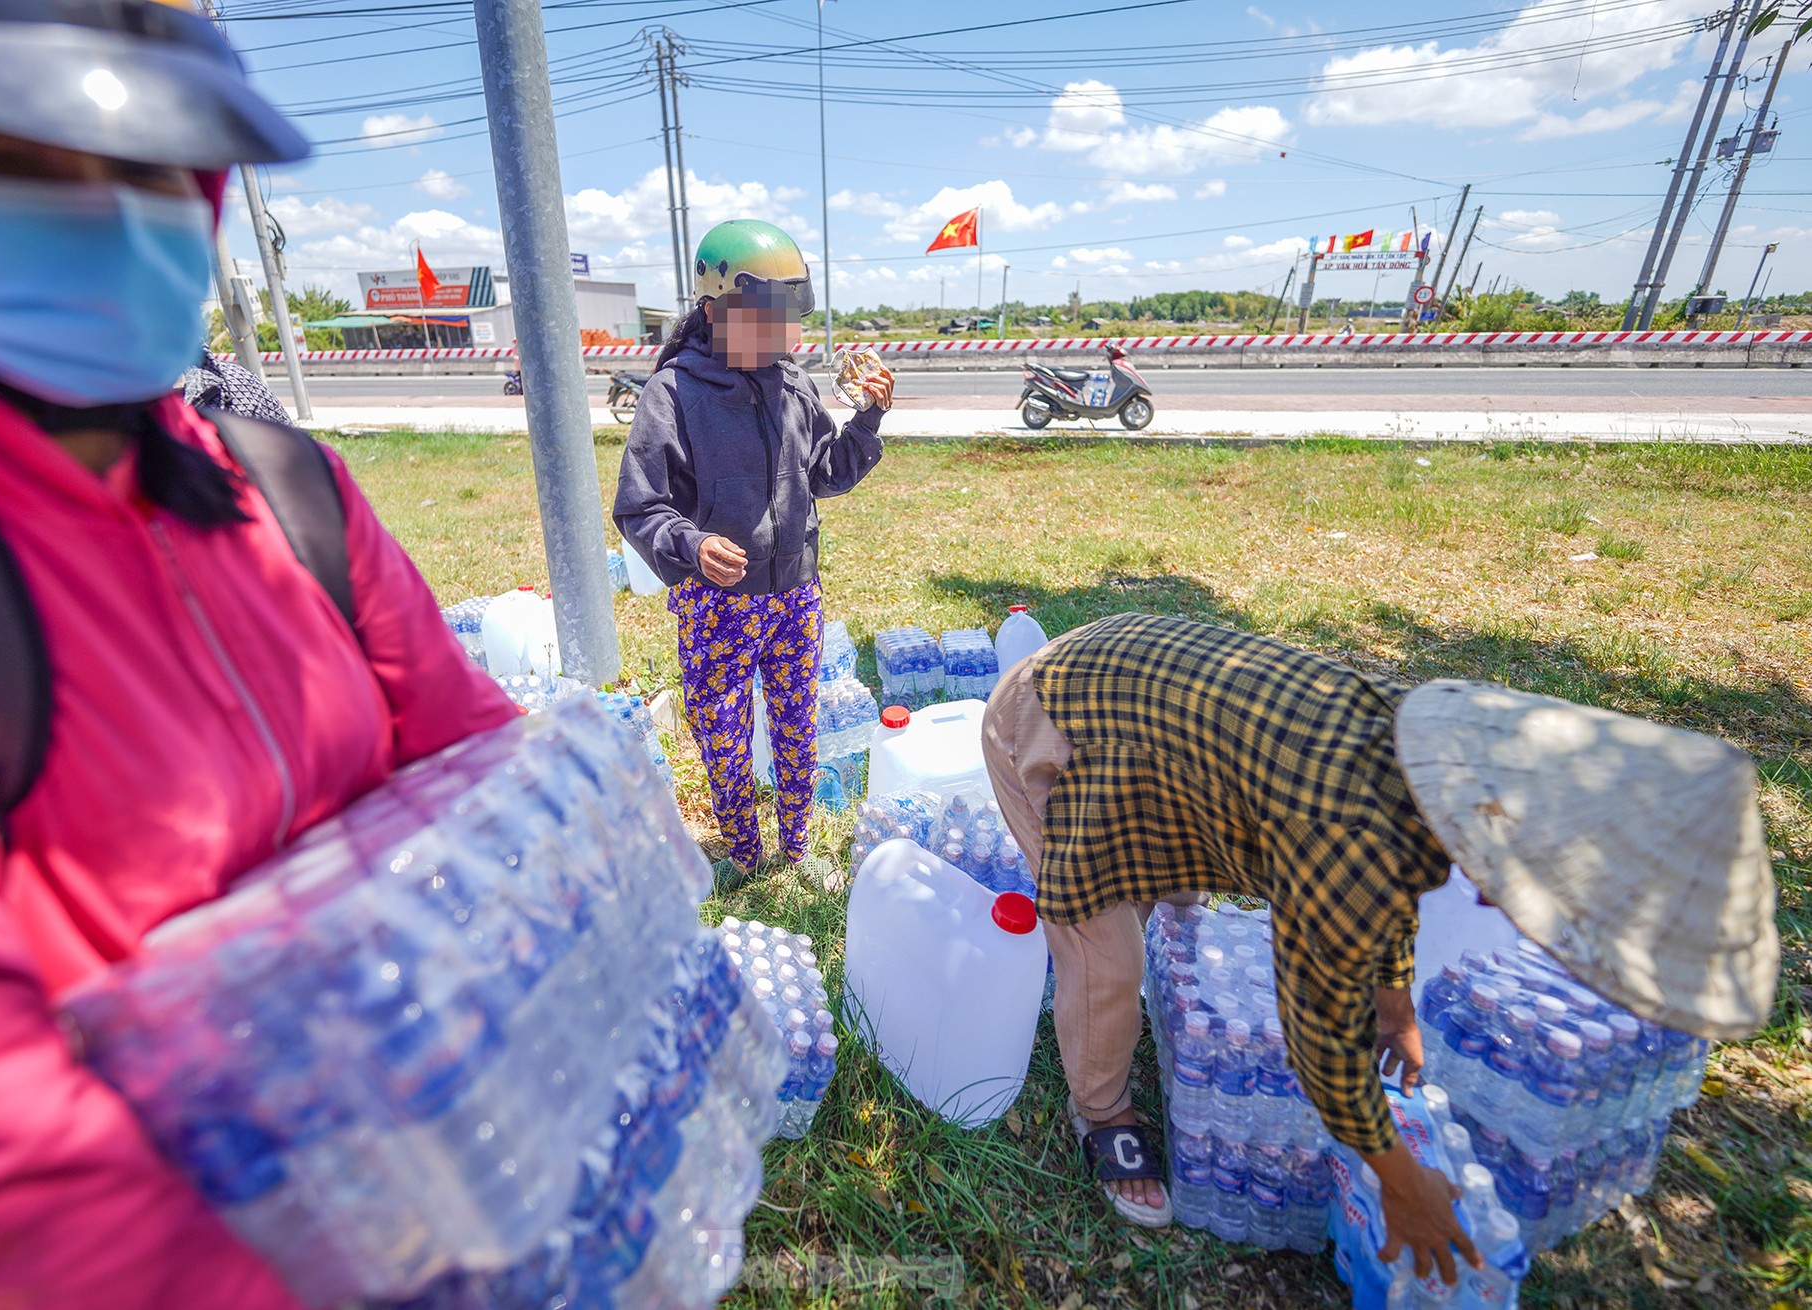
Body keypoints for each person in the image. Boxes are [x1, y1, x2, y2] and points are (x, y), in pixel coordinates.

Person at [0, 3, 517, 1306]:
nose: (101, 216)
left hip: (440, 1147)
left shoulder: (281, 484)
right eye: (1, 163)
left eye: (151, 170)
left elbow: (474, 756)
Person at [981, 612, 1776, 1283]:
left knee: (1176, 896)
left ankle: (1135, 953)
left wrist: (1394, 1007)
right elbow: (1319, 1034)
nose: (1510, 903)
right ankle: (1102, 1110)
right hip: (1050, 719)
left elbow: (1396, 882)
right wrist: (1402, 1181)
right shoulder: (1348, 832)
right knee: (1104, 950)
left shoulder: (1444, 768)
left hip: (1151, 722)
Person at [614, 219, 893, 884]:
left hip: (796, 596)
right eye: (762, 319)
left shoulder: (791, 385)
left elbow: (824, 471)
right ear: (713, 311)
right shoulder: (673, 394)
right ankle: (743, 851)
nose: (779, 336)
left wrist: (868, 421)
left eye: (785, 320)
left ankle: (796, 848)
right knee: (725, 738)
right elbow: (640, 505)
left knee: (798, 726)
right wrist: (692, 542)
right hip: (719, 609)